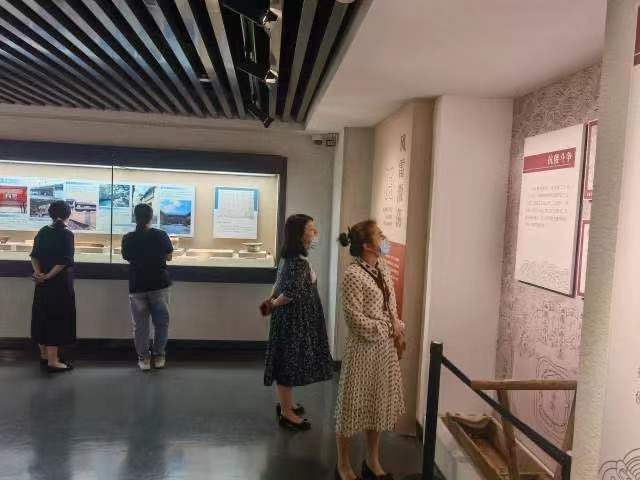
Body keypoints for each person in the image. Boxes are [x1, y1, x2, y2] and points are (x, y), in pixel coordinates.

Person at [334, 220, 406, 480]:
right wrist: (389, 327)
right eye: (380, 235)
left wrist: (397, 327)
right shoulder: (353, 275)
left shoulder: (382, 267)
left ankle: (372, 460)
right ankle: (343, 464)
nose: (384, 239)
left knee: (377, 405)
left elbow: (391, 305)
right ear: (366, 245)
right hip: (362, 352)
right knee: (351, 407)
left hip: (384, 351)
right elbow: (355, 321)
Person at [261, 214, 334, 431]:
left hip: (290, 318)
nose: (315, 233)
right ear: (299, 234)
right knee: (287, 362)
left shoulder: (290, 258)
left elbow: (279, 283)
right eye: (311, 229)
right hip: (293, 319)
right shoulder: (298, 263)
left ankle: (287, 404)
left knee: (288, 360)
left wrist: (271, 301)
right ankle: (286, 412)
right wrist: (274, 303)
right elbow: (291, 292)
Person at [122, 204, 173, 372]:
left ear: (134, 217)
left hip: (137, 285)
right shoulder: (160, 235)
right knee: (161, 323)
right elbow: (169, 256)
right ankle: (159, 355)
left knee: (140, 326)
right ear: (151, 217)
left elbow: (127, 257)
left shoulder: (128, 237)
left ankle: (143, 357)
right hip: (159, 284)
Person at [30, 200, 76, 373]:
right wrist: (48, 276)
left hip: (41, 283)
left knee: (41, 316)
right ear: (68, 214)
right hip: (59, 284)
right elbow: (64, 261)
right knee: (56, 319)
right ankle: (53, 360)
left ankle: (44, 356)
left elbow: (34, 255)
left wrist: (39, 274)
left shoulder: (43, 231)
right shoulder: (67, 234)